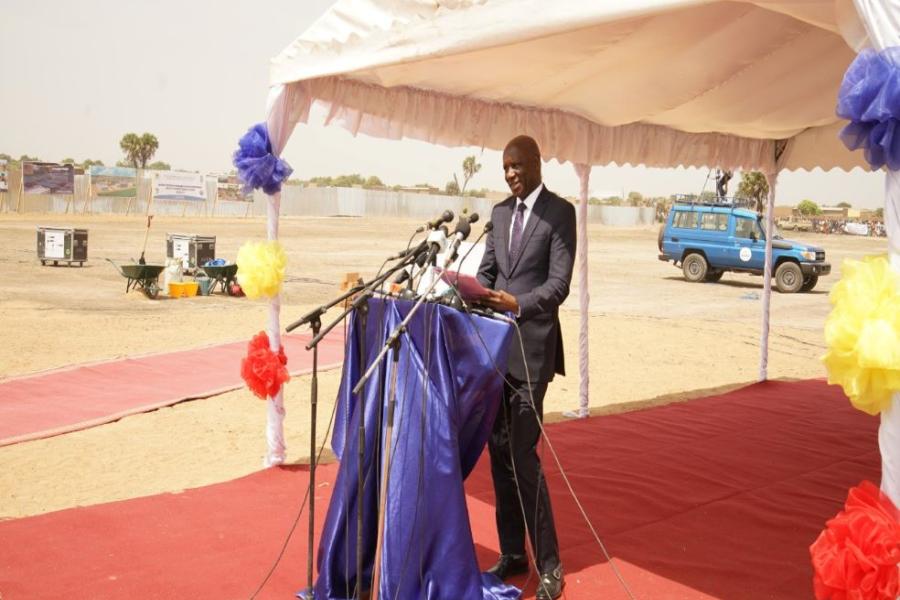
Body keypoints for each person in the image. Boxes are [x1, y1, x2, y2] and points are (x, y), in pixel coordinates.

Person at [476, 135, 576, 600]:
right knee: (497, 455)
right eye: (505, 168)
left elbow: (558, 285)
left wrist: (519, 304)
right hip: (495, 352)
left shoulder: (560, 213)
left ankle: (550, 565)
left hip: (532, 352)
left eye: (517, 165)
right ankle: (513, 554)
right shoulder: (498, 215)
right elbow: (488, 274)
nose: (511, 173)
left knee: (522, 456)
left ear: (536, 162)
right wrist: (472, 292)